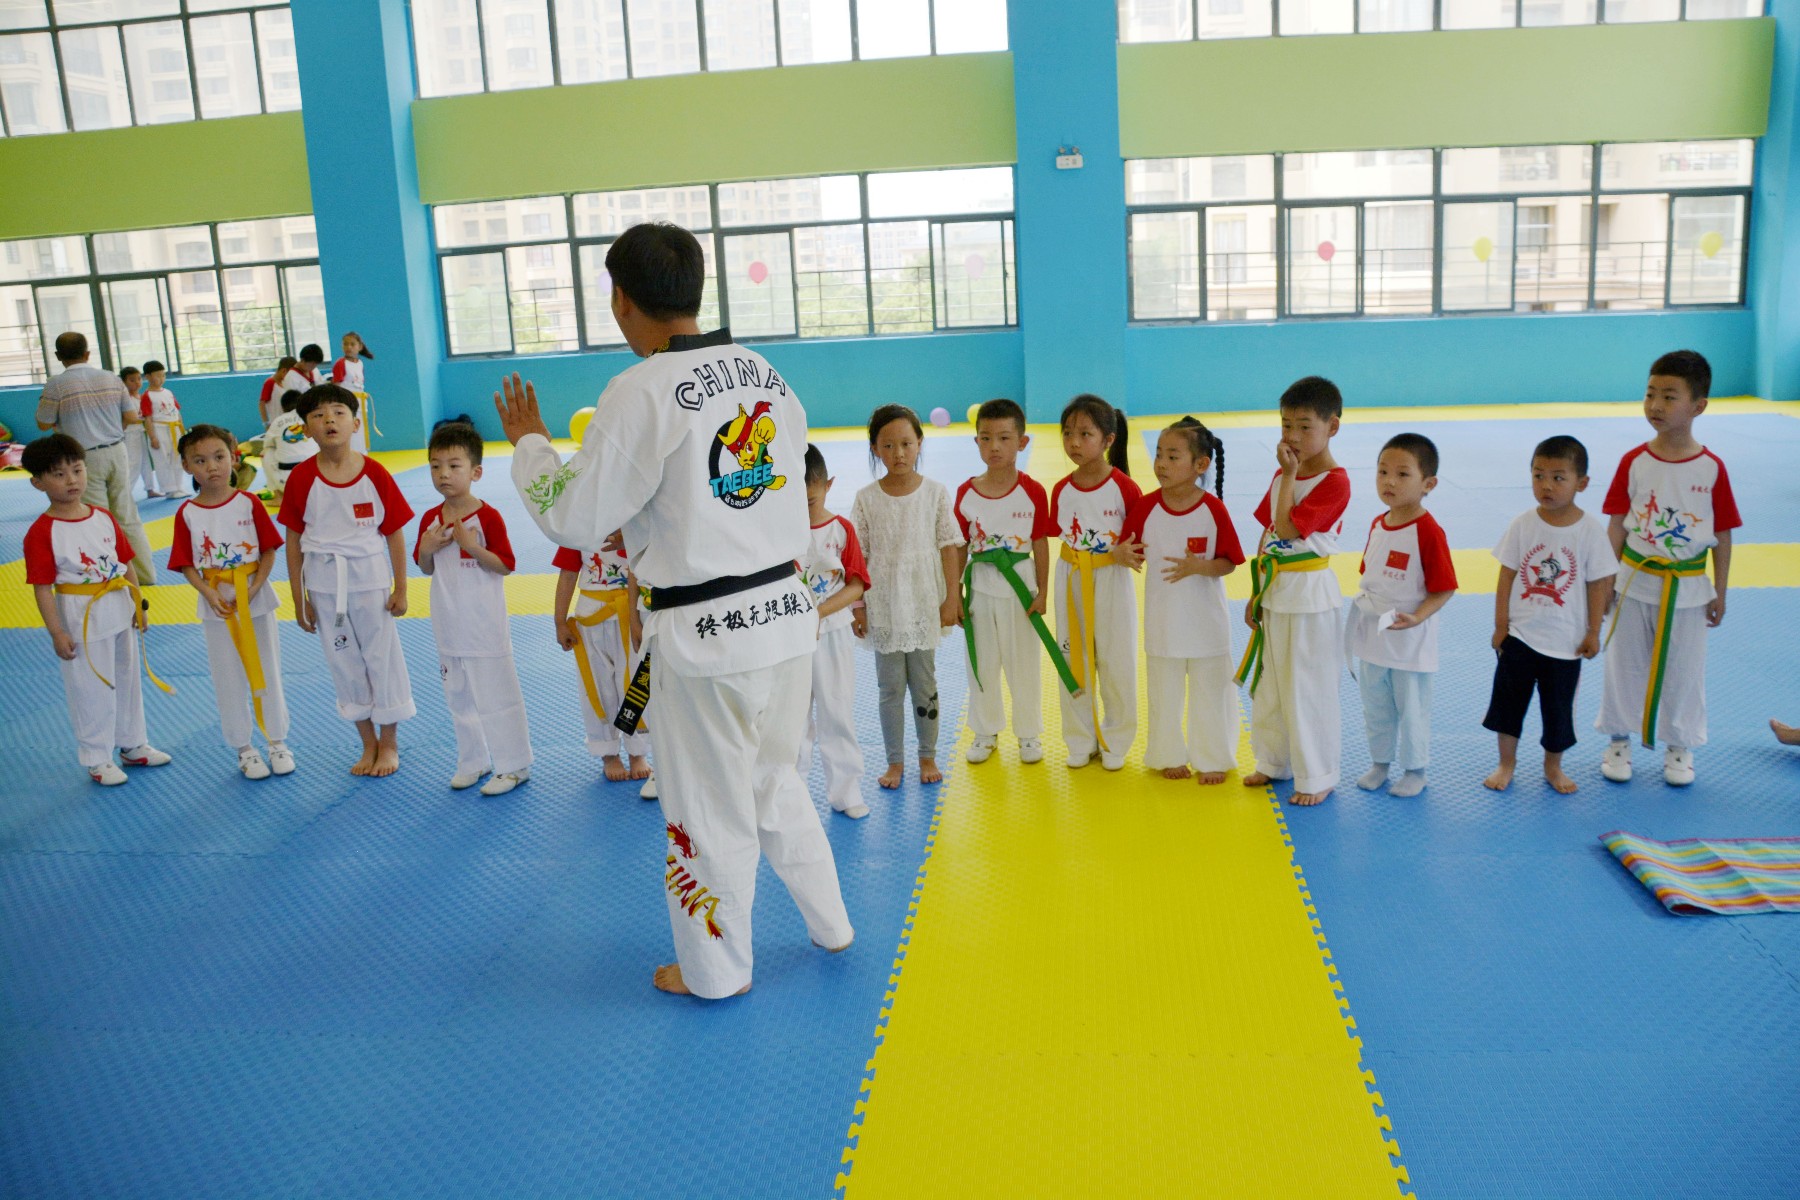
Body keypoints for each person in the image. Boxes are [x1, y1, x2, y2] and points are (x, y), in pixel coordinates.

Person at [496, 220, 853, 1000]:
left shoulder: (642, 389)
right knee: (775, 782)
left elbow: (575, 517)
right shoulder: (764, 373)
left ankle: (714, 973)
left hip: (705, 641)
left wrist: (530, 445)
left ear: (622, 301)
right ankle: (831, 924)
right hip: (785, 618)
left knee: (707, 810)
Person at [1596, 350, 1739, 787]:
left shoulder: (1711, 469)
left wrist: (1720, 590)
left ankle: (1680, 746)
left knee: (1685, 670)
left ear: (1699, 406)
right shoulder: (1634, 461)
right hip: (1633, 581)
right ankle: (1618, 740)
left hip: (1689, 588)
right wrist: (1603, 583)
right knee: (1623, 664)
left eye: (1669, 396)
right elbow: (1616, 526)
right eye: (1650, 394)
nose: (1655, 405)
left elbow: (1723, 535)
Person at [278, 383, 415, 778]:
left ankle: (389, 742)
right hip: (323, 584)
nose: (329, 421)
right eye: (318, 415)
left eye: (338, 412)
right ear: (306, 429)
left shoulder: (375, 473)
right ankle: (367, 743)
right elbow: (293, 541)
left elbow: (394, 532)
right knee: (345, 663)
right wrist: (299, 597)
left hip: (370, 580)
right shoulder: (301, 478)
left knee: (382, 659)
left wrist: (401, 587)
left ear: (355, 423)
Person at [22, 434, 171, 785]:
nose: (71, 480)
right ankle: (97, 757)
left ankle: (133, 744)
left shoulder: (102, 516)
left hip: (118, 604)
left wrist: (138, 604)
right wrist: (57, 632)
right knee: (89, 686)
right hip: (79, 614)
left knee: (127, 678)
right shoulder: (42, 532)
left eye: (77, 470)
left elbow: (126, 562)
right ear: (38, 482)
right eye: (59, 474)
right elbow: (42, 588)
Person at [1482, 436, 1617, 794]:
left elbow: (1598, 585)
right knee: (1508, 706)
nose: (1546, 485)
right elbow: (1507, 575)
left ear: (1581, 483)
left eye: (1558, 478)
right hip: (1521, 636)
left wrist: (1594, 631)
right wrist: (1500, 625)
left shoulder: (1590, 531)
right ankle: (1506, 763)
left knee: (1558, 713)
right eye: (1538, 475)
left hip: (1566, 642)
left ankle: (1553, 767)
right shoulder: (1523, 524)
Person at [1240, 376, 1351, 807]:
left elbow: (1289, 529)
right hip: (1276, 590)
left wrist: (1288, 474)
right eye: (1287, 425)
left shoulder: (1335, 481)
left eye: (1305, 427)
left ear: (1332, 427)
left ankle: (1318, 774)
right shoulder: (1281, 475)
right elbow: (1270, 533)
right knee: (1271, 683)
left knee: (1308, 687)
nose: (1293, 436)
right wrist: (1256, 591)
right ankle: (1273, 761)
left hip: (1309, 596)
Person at [167, 424, 295, 780]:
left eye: (219, 457)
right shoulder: (187, 513)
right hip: (217, 604)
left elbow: (268, 551)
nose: (212, 466)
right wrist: (207, 592)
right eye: (200, 461)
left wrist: (254, 588)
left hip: (255, 597)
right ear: (186, 466)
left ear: (233, 457)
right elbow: (186, 564)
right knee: (227, 675)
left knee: (267, 668)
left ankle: (277, 740)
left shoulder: (249, 503)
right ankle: (244, 748)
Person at [1119, 417, 1243, 783]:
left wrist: (1199, 567)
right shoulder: (1145, 507)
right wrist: (1121, 555)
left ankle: (1213, 757)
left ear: (1200, 464)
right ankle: (1168, 755)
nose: (1161, 464)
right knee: (1164, 695)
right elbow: (1125, 549)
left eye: (1173, 457)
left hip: (1207, 625)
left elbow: (1229, 563)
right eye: (1159, 454)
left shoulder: (1213, 510)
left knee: (1211, 694)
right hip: (1163, 622)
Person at [416, 417, 532, 796]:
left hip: (484, 626)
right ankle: (473, 759)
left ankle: (514, 765)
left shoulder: (488, 517)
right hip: (448, 625)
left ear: (476, 472)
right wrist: (427, 549)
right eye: (436, 466)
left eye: (454, 466)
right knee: (458, 697)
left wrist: (471, 546)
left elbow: (506, 565)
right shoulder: (430, 519)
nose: (443, 474)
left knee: (497, 697)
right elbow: (426, 567)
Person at [852, 404, 963, 791]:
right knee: (890, 689)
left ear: (919, 444)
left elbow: (949, 546)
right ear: (875, 449)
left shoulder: (935, 493)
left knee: (924, 682)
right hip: (883, 605)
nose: (898, 453)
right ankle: (894, 761)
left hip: (923, 603)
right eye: (887, 445)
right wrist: (858, 607)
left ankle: (927, 755)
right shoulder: (866, 498)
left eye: (906, 444)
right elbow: (858, 559)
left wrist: (952, 598)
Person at [1345, 433, 1458, 798]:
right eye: (1383, 472)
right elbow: (1371, 574)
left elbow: (1444, 588)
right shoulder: (1378, 523)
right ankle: (1380, 763)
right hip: (1373, 632)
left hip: (1409, 637)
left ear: (1428, 484)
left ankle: (1415, 769)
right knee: (1375, 704)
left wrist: (1418, 617)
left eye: (1402, 474)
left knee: (1411, 707)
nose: (1389, 481)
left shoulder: (1428, 531)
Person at [953, 398, 1060, 768]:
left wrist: (1043, 592)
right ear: (976, 442)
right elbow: (959, 545)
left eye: (1003, 438)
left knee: (1023, 662)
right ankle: (985, 731)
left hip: (1020, 587)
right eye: (985, 438)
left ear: (1022, 442)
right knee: (981, 662)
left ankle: (1028, 733)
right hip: (979, 586)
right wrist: (954, 594)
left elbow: (1041, 542)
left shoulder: (1033, 491)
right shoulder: (966, 492)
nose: (994, 446)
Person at [1051, 395, 1144, 770]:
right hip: (1070, 577)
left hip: (1111, 580)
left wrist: (1121, 554)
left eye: (1085, 434)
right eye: (1067, 433)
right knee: (1073, 658)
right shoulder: (1061, 489)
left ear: (1108, 440)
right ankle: (1080, 739)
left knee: (1116, 660)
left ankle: (1115, 740)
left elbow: (1140, 545)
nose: (1074, 442)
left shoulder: (1124, 488)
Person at [33, 332, 154, 585]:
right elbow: (130, 416)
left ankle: (107, 576)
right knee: (128, 516)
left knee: (97, 520)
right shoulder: (111, 378)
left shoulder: (56, 384)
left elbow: (43, 423)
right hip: (118, 451)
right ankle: (145, 576)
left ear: (58, 356)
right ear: (87, 354)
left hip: (83, 459)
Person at [798, 443, 871, 817]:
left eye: (810, 499)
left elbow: (856, 585)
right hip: (790, 640)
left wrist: (819, 614)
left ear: (828, 486)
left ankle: (846, 791)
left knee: (836, 711)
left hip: (833, 633)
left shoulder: (841, 530)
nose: (803, 507)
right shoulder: (779, 533)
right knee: (791, 720)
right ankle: (791, 797)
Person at [552, 536, 652, 787]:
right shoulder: (577, 527)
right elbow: (568, 573)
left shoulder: (635, 521)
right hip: (591, 613)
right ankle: (608, 752)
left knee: (634, 684)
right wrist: (560, 621)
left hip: (633, 612)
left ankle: (637, 750)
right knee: (597, 687)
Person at [138, 360, 187, 499]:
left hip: (174, 428)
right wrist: (152, 437)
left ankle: (179, 486)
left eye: (163, 375)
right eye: (157, 375)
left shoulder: (168, 392)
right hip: (159, 429)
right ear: (148, 376)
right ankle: (169, 489)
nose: (161, 379)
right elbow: (147, 418)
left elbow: (176, 412)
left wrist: (182, 430)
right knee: (162, 460)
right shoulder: (147, 396)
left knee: (177, 458)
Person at [260, 387, 317, 503]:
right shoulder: (313, 418)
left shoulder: (278, 421)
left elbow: (267, 445)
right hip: (317, 480)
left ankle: (279, 496)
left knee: (266, 452)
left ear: (282, 407)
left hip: (287, 482)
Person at [331, 332, 377, 450]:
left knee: (361, 429)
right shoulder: (341, 364)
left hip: (360, 404)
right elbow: (336, 386)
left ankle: (362, 452)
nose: (348, 347)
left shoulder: (360, 364)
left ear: (359, 346)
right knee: (350, 430)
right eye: (345, 344)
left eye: (352, 344)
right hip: (347, 403)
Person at [119, 365, 157, 499]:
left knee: (146, 461)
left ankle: (150, 489)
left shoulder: (141, 397)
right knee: (133, 463)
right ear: (123, 382)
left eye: (139, 379)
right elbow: (128, 418)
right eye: (132, 380)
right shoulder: (124, 398)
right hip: (129, 434)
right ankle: (126, 494)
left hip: (141, 432)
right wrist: (144, 419)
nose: (137, 382)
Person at [259, 355, 301, 427]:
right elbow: (261, 404)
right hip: (277, 423)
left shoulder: (286, 382)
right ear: (284, 370)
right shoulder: (270, 383)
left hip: (289, 422)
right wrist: (266, 423)